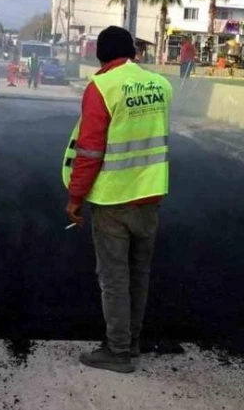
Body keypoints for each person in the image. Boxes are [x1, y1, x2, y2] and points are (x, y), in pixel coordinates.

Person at [63, 27, 173, 374]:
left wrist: (75, 197)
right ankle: (133, 341)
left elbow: (90, 150)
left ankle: (118, 350)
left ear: (100, 56)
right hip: (151, 194)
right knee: (139, 274)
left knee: (113, 277)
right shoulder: (161, 85)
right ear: (134, 52)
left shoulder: (102, 87)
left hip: (113, 199)